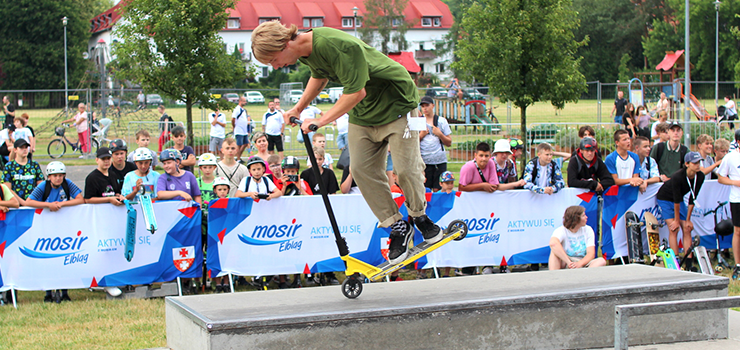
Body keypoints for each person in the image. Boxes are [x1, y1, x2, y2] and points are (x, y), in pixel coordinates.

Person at [252, 21, 441, 266]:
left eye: (273, 60)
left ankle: (419, 217)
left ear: (283, 44)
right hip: (364, 113)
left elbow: (356, 92)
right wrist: (298, 107)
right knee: (361, 171)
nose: (276, 66)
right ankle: (397, 226)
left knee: (406, 169)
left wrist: (320, 120)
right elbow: (319, 76)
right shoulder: (306, 52)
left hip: (397, 104)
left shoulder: (336, 45)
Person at [24, 161, 84, 303]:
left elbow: (80, 199)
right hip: (46, 227)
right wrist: (48, 205)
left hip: (64, 226)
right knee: (48, 259)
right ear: (49, 176)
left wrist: (62, 204)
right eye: (55, 175)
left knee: (64, 258)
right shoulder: (43, 186)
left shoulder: (67, 184)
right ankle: (48, 292)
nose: (58, 178)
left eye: (60, 175)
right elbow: (29, 201)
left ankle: (64, 291)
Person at [657, 152, 704, 259]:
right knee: (674, 228)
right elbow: (676, 200)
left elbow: (693, 198)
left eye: (699, 162)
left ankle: (688, 260)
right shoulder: (678, 176)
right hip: (665, 198)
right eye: (695, 163)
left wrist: (688, 220)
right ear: (687, 164)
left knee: (687, 229)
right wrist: (676, 220)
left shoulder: (700, 176)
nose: (698, 165)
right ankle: (675, 259)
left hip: (678, 200)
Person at [548, 205, 607, 270]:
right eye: (583, 216)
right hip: (567, 260)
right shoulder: (561, 230)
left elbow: (591, 254)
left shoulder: (588, 229)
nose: (586, 217)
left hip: (582, 261)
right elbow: (553, 243)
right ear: (576, 219)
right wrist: (569, 262)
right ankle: (555, 276)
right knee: (554, 252)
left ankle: (584, 275)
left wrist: (579, 264)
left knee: (601, 261)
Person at [717, 130, 740, 279]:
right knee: (737, 231)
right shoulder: (731, 157)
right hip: (737, 198)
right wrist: (735, 182)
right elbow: (720, 177)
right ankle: (738, 264)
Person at [418, 96, 452, 192]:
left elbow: (449, 142)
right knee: (425, 189)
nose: (425, 108)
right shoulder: (418, 121)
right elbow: (412, 143)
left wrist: (440, 134)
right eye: (423, 106)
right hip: (423, 161)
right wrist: (421, 135)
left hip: (439, 160)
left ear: (432, 106)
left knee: (439, 188)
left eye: (427, 105)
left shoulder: (441, 121)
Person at [3, 139, 43, 205]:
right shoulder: (9, 166)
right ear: (15, 150)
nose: (24, 150)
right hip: (16, 205)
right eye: (21, 148)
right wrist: (23, 202)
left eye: (26, 147)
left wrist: (31, 200)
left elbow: (41, 185)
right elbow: (7, 189)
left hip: (33, 203)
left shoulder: (34, 165)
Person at [0, 178, 19, 304]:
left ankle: (5, 296)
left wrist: (2, 205)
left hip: (3, 230)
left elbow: (15, 203)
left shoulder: (2, 188)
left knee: (6, 261)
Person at [231, 96, 251, 162]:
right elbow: (233, 118)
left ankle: (239, 156)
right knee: (239, 145)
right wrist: (234, 126)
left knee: (245, 143)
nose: (245, 102)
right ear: (240, 101)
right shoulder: (237, 109)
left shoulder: (243, 110)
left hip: (244, 130)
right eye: (244, 101)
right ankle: (237, 158)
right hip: (239, 130)